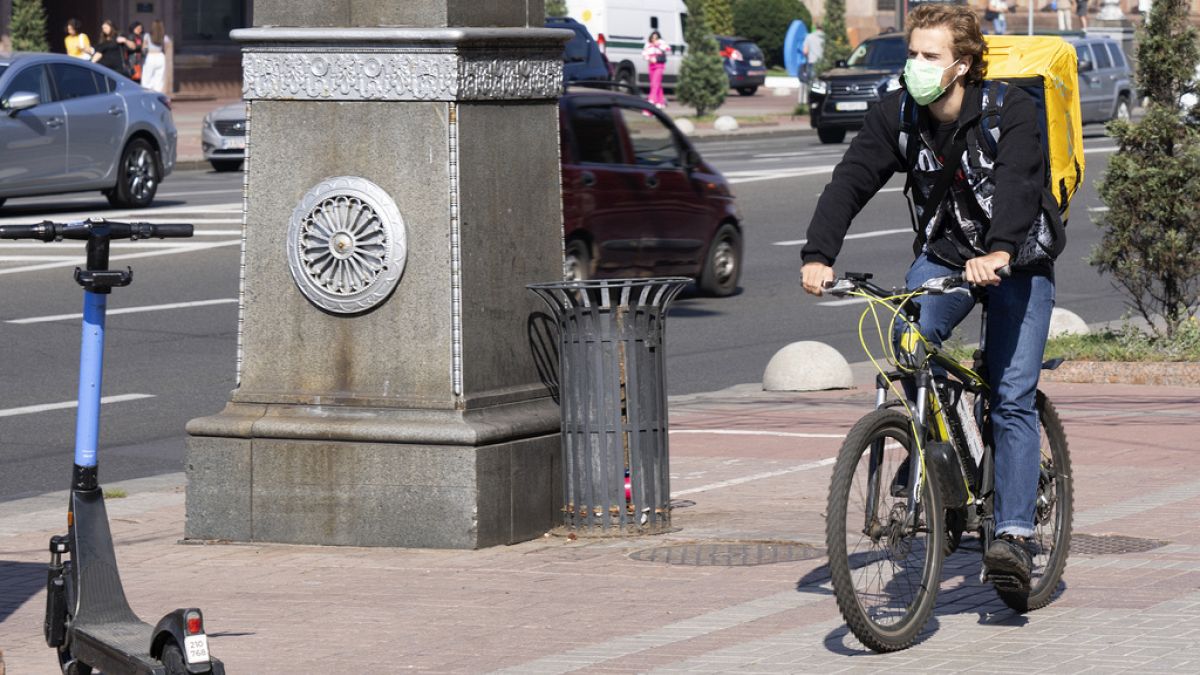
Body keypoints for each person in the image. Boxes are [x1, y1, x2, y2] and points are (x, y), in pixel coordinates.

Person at [800, 4, 1058, 591]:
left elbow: (1020, 184)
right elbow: (852, 178)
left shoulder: (1010, 111)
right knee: (906, 340)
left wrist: (999, 252)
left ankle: (1014, 534)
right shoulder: (898, 115)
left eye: (929, 56)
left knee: (1012, 396)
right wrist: (818, 253)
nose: (914, 66)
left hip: (1015, 259)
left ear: (961, 65)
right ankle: (931, 447)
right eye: (911, 54)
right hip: (946, 254)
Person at [642, 31, 670, 109]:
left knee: (655, 83)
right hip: (651, 65)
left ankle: (651, 101)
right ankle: (660, 102)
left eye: (656, 37)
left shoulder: (661, 42)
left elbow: (668, 48)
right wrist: (649, 58)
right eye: (653, 37)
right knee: (656, 84)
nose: (654, 39)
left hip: (659, 65)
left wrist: (658, 45)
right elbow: (644, 53)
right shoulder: (648, 44)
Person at [142, 20, 171, 93]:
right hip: (160, 56)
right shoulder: (164, 37)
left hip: (150, 56)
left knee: (147, 78)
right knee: (159, 79)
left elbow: (144, 48)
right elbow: (166, 47)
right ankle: (157, 95)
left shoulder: (147, 36)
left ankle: (147, 94)